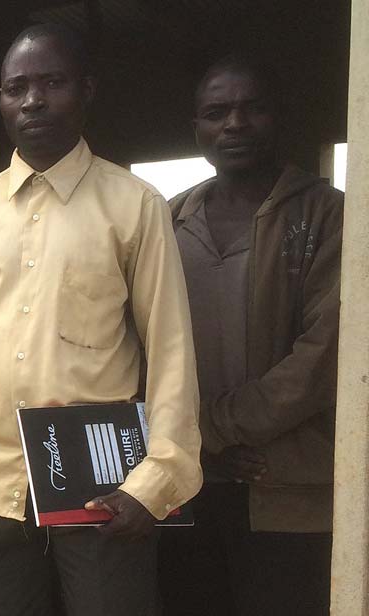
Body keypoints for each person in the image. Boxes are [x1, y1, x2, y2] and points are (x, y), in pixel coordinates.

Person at [0, 24, 202, 615]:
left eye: (53, 82)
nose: (33, 100)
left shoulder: (135, 204)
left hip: (104, 491)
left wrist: (157, 481)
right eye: (16, 87)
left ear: (87, 89)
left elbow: (171, 350)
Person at [158, 56, 342, 616]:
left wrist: (214, 427)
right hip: (184, 486)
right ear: (197, 129)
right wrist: (202, 443)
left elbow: (326, 354)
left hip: (285, 486)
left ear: (279, 117)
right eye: (217, 113)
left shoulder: (329, 215)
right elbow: (136, 345)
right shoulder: (168, 220)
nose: (234, 124)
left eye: (252, 108)